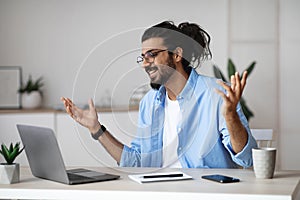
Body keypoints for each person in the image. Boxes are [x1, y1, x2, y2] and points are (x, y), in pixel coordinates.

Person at [61, 21, 257, 168]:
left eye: (152, 55)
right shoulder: (150, 103)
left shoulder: (216, 94)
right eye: (142, 57)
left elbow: (247, 159)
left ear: (177, 54)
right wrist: (97, 130)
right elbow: (138, 162)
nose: (145, 63)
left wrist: (231, 117)